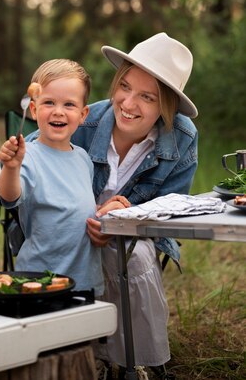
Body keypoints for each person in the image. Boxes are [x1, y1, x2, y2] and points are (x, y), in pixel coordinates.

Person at [71, 33, 198, 380]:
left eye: (147, 97)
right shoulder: (84, 119)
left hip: (135, 237)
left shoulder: (182, 138)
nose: (128, 102)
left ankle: (141, 362)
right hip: (68, 228)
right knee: (108, 249)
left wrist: (120, 220)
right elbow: (32, 161)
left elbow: (167, 210)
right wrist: (91, 212)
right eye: (124, 86)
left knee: (134, 252)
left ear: (165, 107)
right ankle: (98, 353)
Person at [0, 59, 103, 295]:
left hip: (85, 280)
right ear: (34, 110)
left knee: (85, 332)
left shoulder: (84, 159)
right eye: (49, 102)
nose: (58, 111)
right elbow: (10, 197)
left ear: (83, 114)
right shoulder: (29, 155)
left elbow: (78, 204)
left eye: (69, 104)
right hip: (40, 281)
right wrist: (12, 167)